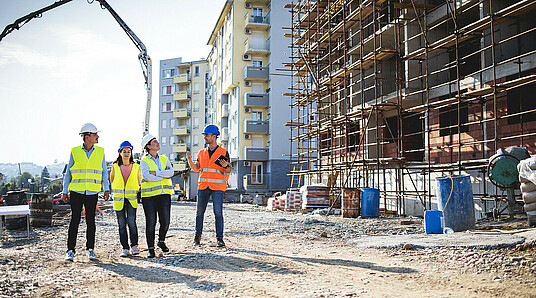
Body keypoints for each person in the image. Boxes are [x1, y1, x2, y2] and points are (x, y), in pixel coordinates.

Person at [62, 123, 110, 261]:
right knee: (74, 220)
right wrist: (65, 191)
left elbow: (103, 172)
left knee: (91, 221)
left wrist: (106, 188)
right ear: (87, 136)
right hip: (76, 191)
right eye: (95, 134)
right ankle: (70, 250)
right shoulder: (75, 151)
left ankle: (90, 249)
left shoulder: (100, 151)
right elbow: (68, 173)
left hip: (92, 192)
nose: (98, 137)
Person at [186, 124, 231, 247]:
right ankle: (197, 237)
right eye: (204, 135)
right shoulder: (201, 152)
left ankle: (220, 239)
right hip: (203, 186)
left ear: (214, 136)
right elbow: (196, 169)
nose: (205, 137)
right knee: (199, 212)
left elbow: (228, 169)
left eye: (207, 135)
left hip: (218, 188)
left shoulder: (224, 152)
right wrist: (189, 160)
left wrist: (226, 166)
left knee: (218, 213)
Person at [140, 134, 174, 258]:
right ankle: (150, 248)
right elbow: (146, 176)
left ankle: (161, 241)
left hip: (164, 194)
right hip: (149, 197)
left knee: (165, 221)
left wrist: (156, 173)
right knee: (151, 222)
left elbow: (171, 172)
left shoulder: (164, 158)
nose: (157, 143)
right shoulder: (144, 161)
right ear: (148, 146)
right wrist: (162, 175)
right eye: (154, 142)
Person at [110, 141, 141, 257]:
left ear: (131, 153)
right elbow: (112, 181)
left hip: (131, 199)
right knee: (121, 224)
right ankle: (125, 247)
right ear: (120, 153)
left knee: (131, 222)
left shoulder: (136, 167)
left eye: (128, 151)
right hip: (119, 200)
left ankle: (134, 246)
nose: (126, 154)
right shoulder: (115, 166)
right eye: (124, 152)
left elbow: (139, 181)